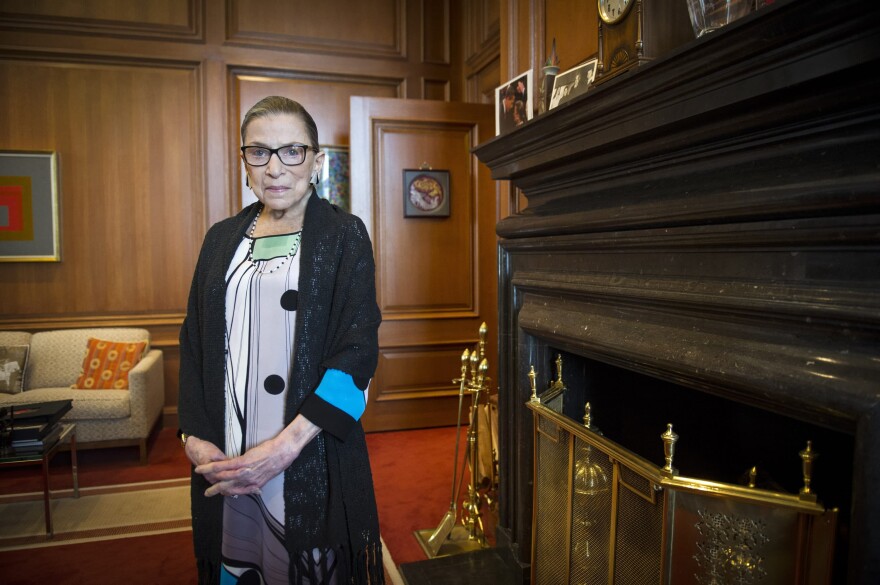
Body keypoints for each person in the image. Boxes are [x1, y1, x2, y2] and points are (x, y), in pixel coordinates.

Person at [178, 95, 384, 585]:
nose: (275, 167)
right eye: (259, 152)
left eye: (292, 151)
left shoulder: (344, 235)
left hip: (306, 448)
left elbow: (357, 353)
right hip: (228, 450)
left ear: (315, 161)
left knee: (308, 565)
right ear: (244, 162)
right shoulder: (220, 238)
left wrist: (283, 450)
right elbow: (192, 343)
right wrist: (194, 437)